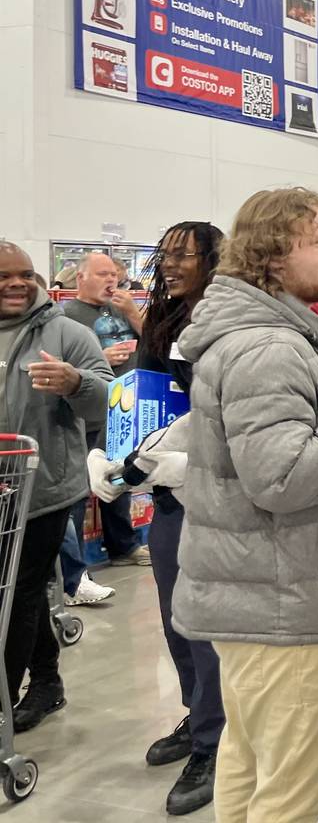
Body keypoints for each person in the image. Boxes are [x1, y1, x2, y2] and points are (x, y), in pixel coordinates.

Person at [172, 188, 318, 823]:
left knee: (250, 765)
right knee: (291, 791)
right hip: (284, 606)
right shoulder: (268, 349)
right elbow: (286, 480)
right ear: (274, 258)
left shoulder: (271, 336)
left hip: (265, 599)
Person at [96, 221, 227, 816]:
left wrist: (180, 460)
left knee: (205, 629)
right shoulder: (166, 319)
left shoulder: (223, 322)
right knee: (176, 619)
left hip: (214, 499)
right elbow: (149, 393)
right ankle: (197, 714)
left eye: (184, 255)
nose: (171, 265)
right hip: (166, 494)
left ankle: (215, 739)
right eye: (165, 255)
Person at [0, 242, 111, 732]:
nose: (17, 283)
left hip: (44, 492)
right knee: (14, 594)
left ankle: (3, 699)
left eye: (25, 274)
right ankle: (46, 682)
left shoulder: (68, 333)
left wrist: (75, 384)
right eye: (4, 276)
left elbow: (111, 400)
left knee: (21, 592)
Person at [64, 250, 148, 567]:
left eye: (113, 274)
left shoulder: (123, 308)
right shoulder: (67, 316)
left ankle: (123, 547)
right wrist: (101, 356)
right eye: (102, 274)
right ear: (81, 278)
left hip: (122, 409)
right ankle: (73, 571)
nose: (111, 280)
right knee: (78, 489)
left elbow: (158, 340)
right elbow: (58, 363)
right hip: (85, 415)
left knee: (120, 478)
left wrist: (134, 313)